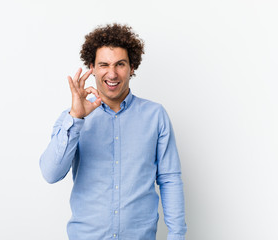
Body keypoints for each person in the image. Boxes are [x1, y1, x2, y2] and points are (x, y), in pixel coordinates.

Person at [39, 23, 187, 240]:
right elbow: (51, 173)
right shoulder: (72, 117)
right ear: (92, 67)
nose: (112, 73)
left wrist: (177, 236)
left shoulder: (155, 116)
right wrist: (75, 118)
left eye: (120, 64)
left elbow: (169, 179)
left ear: (132, 67)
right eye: (103, 65)